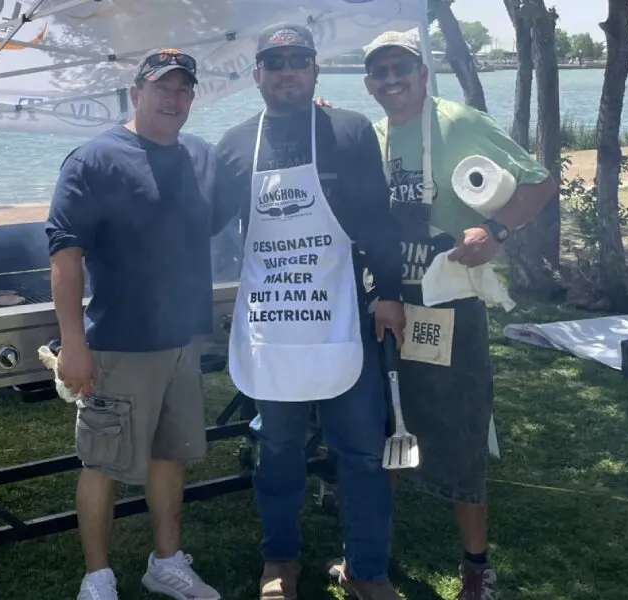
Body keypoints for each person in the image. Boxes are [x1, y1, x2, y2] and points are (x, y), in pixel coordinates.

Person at [348, 30, 557, 600]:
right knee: (382, 426)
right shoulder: (372, 135)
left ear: (423, 71)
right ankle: (370, 560)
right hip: (389, 301)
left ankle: (476, 567)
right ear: (369, 82)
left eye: (401, 69)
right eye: (380, 72)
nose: (392, 81)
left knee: (461, 427)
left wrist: (495, 230)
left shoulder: (458, 121)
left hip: (449, 305)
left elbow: (539, 181)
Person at [212, 23, 407, 600]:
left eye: (299, 60)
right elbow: (206, 226)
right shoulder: (233, 144)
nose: (288, 71)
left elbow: (377, 219)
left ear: (316, 70)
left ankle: (367, 570)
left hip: (341, 320)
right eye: (275, 62)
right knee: (276, 452)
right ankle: (280, 563)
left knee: (364, 453)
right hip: (272, 328)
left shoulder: (348, 131)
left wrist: (391, 291)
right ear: (257, 77)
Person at [45, 49, 222, 600]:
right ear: (135, 93)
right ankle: (97, 578)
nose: (173, 99)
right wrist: (74, 344)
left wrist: (311, 115)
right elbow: (64, 256)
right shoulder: (94, 160)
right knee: (104, 463)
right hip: (119, 342)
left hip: (181, 341)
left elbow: (255, 166)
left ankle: (165, 561)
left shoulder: (201, 157)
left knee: (172, 455)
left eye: (183, 90)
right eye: (162, 88)